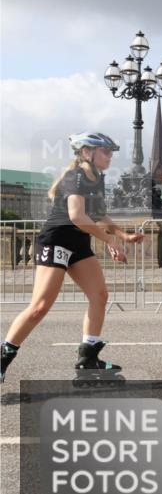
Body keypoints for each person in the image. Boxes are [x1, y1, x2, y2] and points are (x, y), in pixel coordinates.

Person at [0, 132, 144, 383]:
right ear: (87, 153)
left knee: (99, 296)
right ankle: (3, 356)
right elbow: (77, 216)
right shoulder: (75, 176)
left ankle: (87, 359)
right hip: (56, 240)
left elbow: (99, 214)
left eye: (111, 152)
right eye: (105, 151)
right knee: (39, 308)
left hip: (78, 243)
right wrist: (109, 240)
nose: (110, 156)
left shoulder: (96, 178)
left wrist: (123, 235)